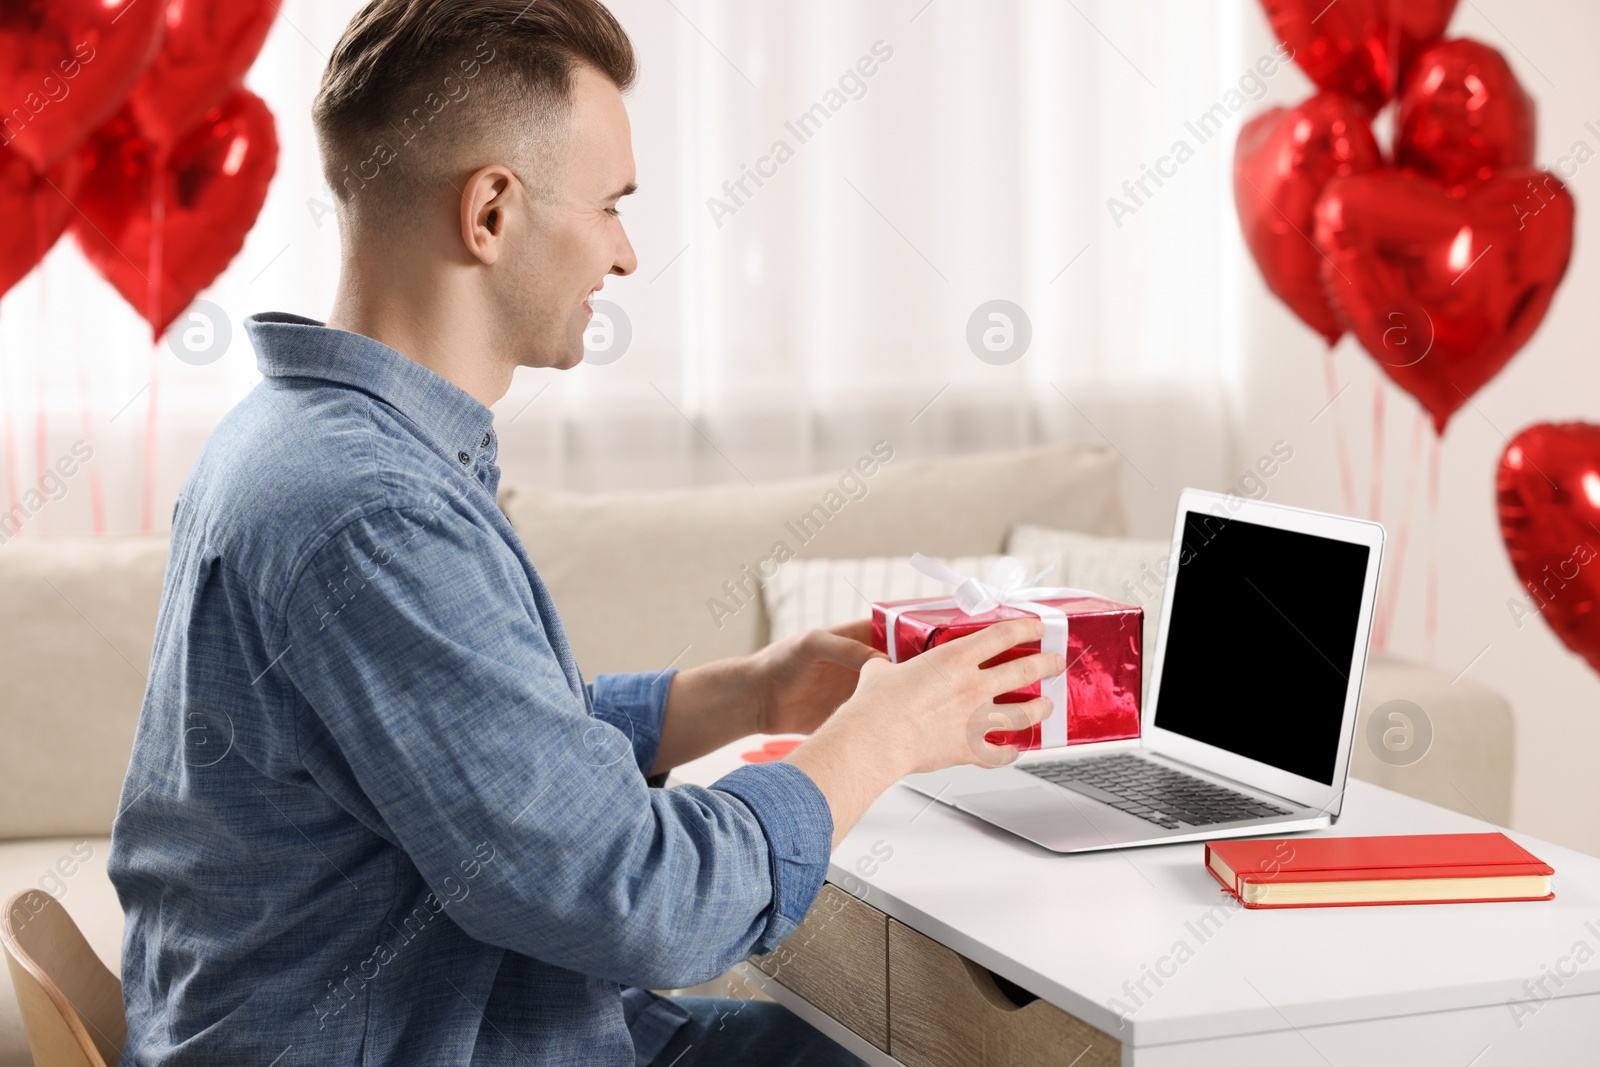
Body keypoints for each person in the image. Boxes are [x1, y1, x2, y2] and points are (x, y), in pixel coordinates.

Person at [106, 1, 1060, 1064]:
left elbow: (479, 743)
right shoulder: (372, 511)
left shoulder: (295, 437)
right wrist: (879, 736)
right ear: (492, 213)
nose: (625, 253)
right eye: (609, 206)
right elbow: (641, 901)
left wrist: (748, 692)